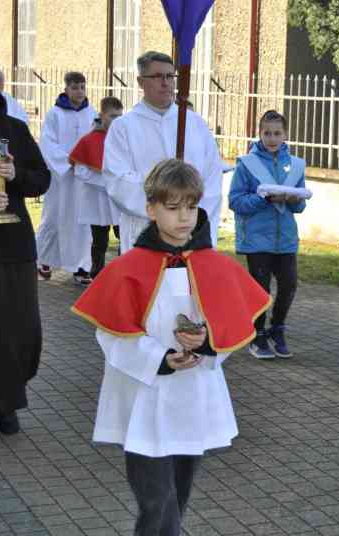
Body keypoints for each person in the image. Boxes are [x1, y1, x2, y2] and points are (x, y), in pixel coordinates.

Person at [72, 159, 270, 535]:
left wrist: (207, 343)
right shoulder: (128, 268)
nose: (183, 217)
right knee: (156, 501)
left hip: (193, 395)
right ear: (151, 209)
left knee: (177, 495)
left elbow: (231, 326)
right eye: (173, 207)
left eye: (191, 207)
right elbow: (111, 334)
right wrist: (159, 358)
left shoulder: (216, 266)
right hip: (144, 398)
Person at [0, 48, 50, 438]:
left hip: (15, 247)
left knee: (19, 329)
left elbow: (41, 179)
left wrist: (17, 174)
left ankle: (7, 402)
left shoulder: (15, 129)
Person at [103, 51, 223, 253]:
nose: (165, 82)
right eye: (157, 76)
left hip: (191, 233)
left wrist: (193, 216)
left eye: (170, 76)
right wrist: (164, 206)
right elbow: (118, 179)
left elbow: (211, 176)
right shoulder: (124, 127)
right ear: (141, 82)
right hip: (144, 231)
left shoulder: (195, 124)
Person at [229, 110, 310, 359]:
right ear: (259, 134)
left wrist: (293, 199)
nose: (272, 138)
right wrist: (263, 199)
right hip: (257, 239)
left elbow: (299, 206)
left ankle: (277, 329)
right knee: (260, 290)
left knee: (289, 285)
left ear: (285, 135)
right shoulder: (247, 164)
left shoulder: (295, 165)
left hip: (285, 238)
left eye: (277, 133)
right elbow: (235, 201)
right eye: (267, 133)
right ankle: (257, 334)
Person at [35, 71, 96, 284]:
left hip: (82, 177)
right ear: (66, 89)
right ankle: (43, 261)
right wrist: (67, 161)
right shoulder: (55, 114)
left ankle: (81, 267)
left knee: (82, 222)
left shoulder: (91, 114)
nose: (79, 92)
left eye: (82, 87)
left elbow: (95, 141)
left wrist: (87, 162)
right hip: (61, 178)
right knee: (52, 218)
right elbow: (47, 143)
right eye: (74, 87)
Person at [69, 96, 123, 278]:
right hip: (97, 198)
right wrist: (105, 182)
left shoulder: (123, 138)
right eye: (112, 116)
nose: (116, 121)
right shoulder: (89, 140)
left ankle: (122, 274)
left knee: (124, 236)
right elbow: (80, 171)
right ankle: (97, 275)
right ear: (101, 115)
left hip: (119, 198)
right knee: (100, 240)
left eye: (119, 116)